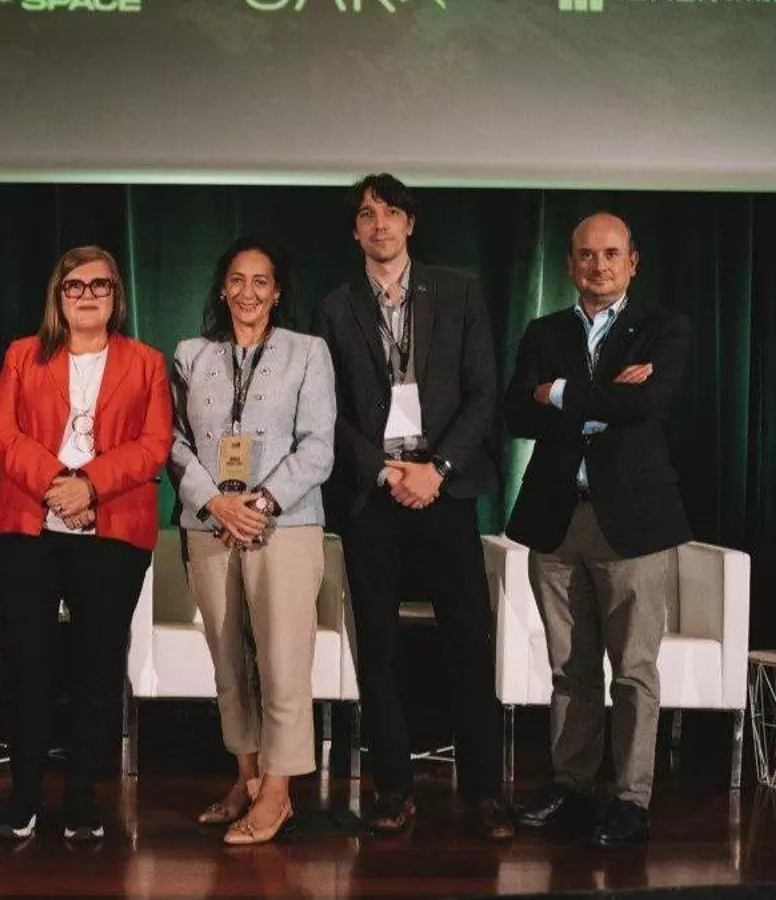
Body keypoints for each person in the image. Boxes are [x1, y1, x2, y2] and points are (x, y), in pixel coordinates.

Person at [310, 173, 511, 841]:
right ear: (355, 231)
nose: (380, 224)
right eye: (368, 214)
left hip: (444, 488)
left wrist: (437, 469)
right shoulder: (334, 308)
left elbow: (482, 394)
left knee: (469, 640)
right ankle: (392, 789)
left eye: (392, 212)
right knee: (379, 645)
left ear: (410, 224)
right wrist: (383, 468)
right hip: (373, 492)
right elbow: (328, 411)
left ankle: (484, 792)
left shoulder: (459, 292)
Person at [504, 212, 692, 851]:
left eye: (612, 254)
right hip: (557, 520)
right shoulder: (544, 330)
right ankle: (572, 784)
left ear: (632, 262)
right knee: (569, 667)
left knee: (633, 669)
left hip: (633, 524)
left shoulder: (663, 329)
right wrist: (604, 397)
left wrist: (557, 392)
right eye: (587, 255)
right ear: (569, 265)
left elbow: (649, 404)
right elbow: (515, 414)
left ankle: (631, 799)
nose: (599, 265)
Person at [0, 245, 172, 842]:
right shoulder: (22, 355)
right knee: (28, 663)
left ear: (117, 295)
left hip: (113, 528)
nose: (87, 295)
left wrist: (89, 485)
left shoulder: (147, 363)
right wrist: (56, 485)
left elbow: (155, 445)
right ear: (58, 296)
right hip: (28, 525)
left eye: (100, 285)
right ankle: (25, 793)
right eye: (75, 286)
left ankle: (84, 795)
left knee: (98, 663)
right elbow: (0, 435)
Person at [168, 236, 336, 845]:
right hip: (210, 525)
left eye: (261, 281)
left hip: (283, 526)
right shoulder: (191, 354)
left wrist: (259, 504)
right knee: (229, 664)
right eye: (237, 280)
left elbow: (318, 447)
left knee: (284, 662)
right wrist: (216, 502)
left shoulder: (308, 352)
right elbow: (173, 442)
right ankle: (246, 777)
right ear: (222, 289)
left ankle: (278, 793)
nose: (248, 292)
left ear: (278, 291)